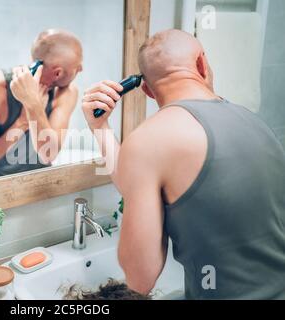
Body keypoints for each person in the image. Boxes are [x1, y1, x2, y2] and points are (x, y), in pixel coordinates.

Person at [82, 29, 285, 299]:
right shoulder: (258, 125)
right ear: (202, 64)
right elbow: (138, 182)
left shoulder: (149, 140)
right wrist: (101, 128)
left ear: (146, 90)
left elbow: (140, 279)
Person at [0, 29, 83, 180]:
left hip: (38, 185)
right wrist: (23, 121)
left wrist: (33, 104)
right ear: (58, 73)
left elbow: (49, 154)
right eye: (77, 67)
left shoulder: (66, 93)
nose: (81, 70)